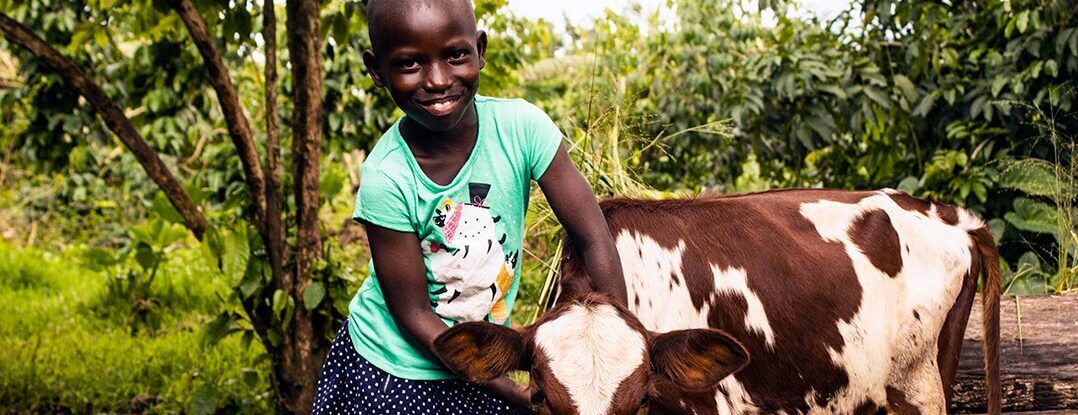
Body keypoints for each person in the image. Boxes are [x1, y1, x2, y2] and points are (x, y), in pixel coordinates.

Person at [311, 0, 626, 413]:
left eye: (455, 55)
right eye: (410, 64)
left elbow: (593, 237)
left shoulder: (522, 129)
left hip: (477, 359)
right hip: (399, 370)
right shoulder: (386, 176)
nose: (439, 80)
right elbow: (414, 315)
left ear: (480, 50)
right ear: (376, 70)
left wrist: (618, 342)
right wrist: (514, 392)